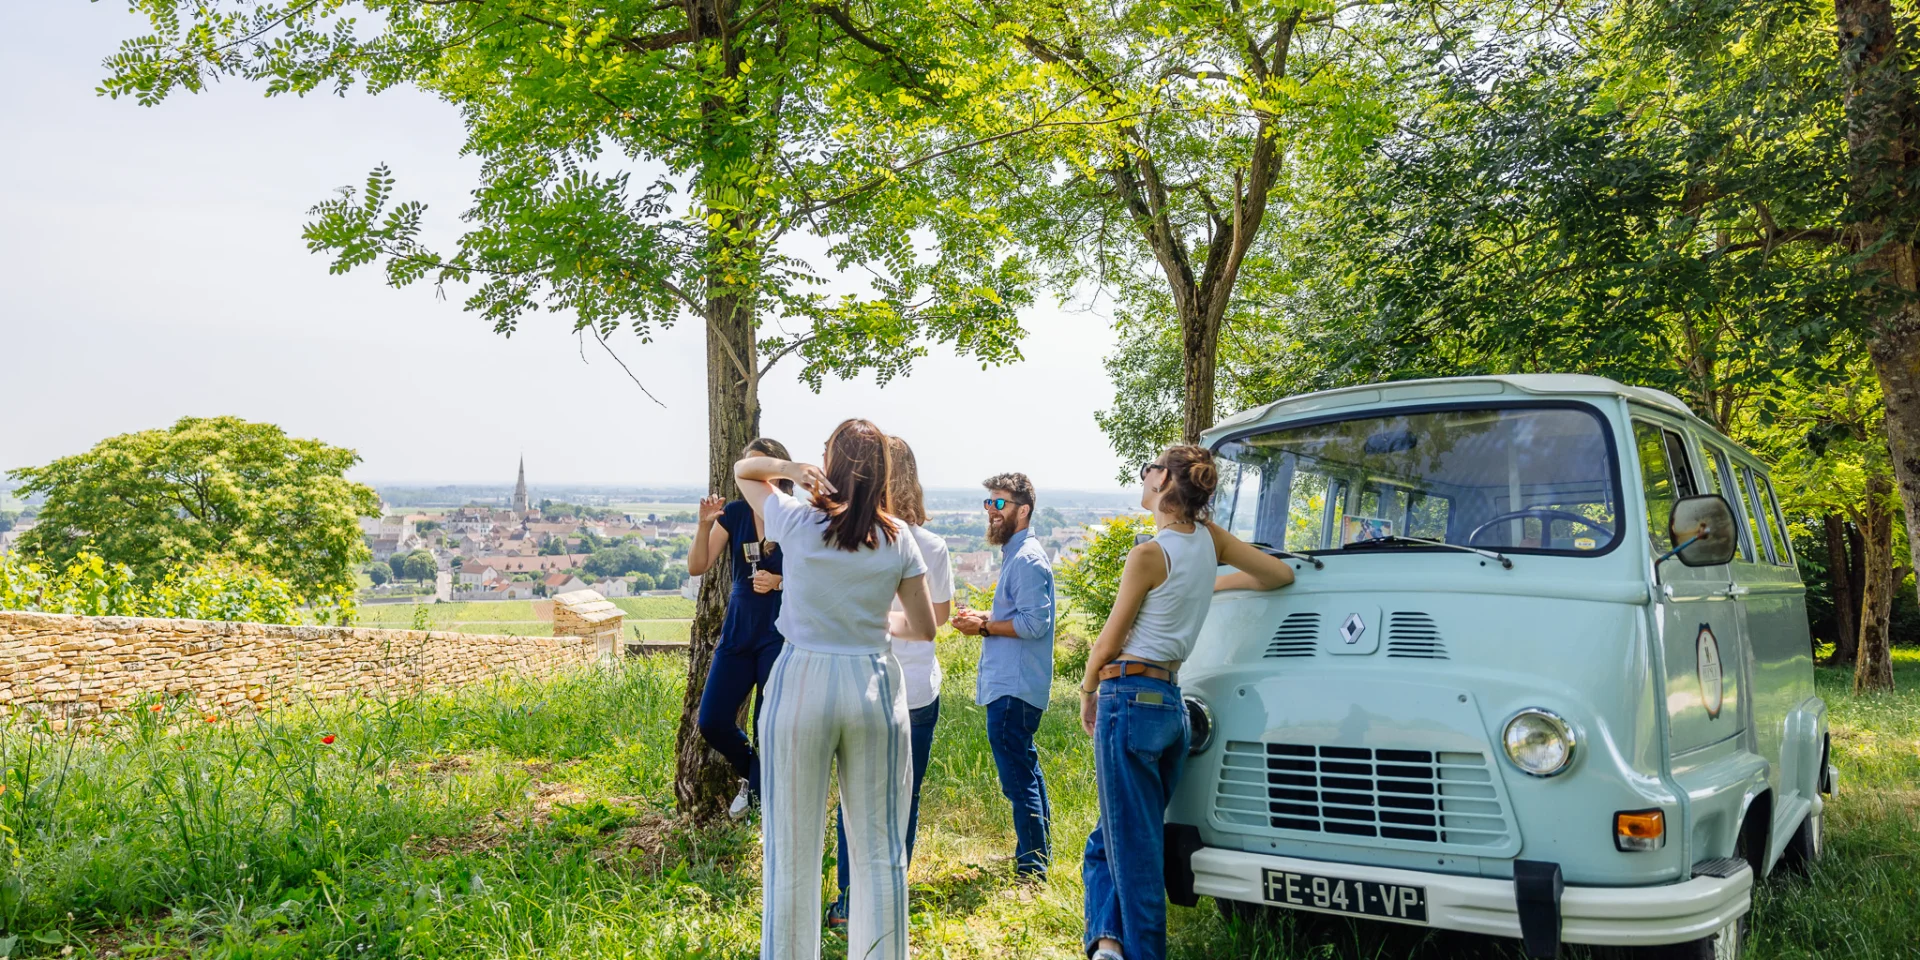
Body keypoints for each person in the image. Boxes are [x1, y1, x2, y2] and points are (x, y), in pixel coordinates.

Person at [1078, 445, 1295, 960]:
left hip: (1129, 698)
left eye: (1149, 467)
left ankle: (1142, 952)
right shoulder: (1209, 540)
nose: (1144, 474)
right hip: (1171, 705)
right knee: (1112, 838)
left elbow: (1109, 642)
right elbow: (1278, 575)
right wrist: (1212, 585)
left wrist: (1087, 691)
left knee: (1133, 851)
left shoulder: (1149, 554)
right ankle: (1109, 944)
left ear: (1165, 485)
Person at [735, 420, 937, 960]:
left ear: (830, 463)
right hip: (870, 680)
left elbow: (742, 471)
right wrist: (872, 620)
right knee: (879, 848)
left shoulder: (797, 519)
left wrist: (787, 470)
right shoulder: (897, 537)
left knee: (791, 844)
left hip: (801, 677)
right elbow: (923, 628)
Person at [826, 436, 953, 930]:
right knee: (906, 795)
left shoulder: (850, 535)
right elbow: (936, 619)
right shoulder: (932, 546)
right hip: (917, 686)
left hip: (863, 680)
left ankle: (848, 901)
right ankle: (888, 898)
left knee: (853, 798)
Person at [951, 472, 1055, 880]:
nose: (991, 512)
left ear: (1023, 510)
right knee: (1024, 768)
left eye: (999, 504)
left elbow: (1034, 624)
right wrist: (986, 617)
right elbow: (1019, 615)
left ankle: (1032, 869)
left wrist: (984, 627)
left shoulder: (1026, 559)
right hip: (1013, 684)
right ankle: (1036, 854)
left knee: (1017, 778)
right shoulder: (1016, 553)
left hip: (1014, 687)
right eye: (988, 504)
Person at [689, 437, 793, 820]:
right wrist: (703, 526)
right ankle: (754, 775)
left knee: (770, 725)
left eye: (761, 468)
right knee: (712, 720)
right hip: (738, 630)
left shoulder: (797, 516)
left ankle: (767, 809)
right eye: (748, 469)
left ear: (779, 473)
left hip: (780, 633)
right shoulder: (734, 513)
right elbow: (697, 566)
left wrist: (780, 582)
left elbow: (821, 577)